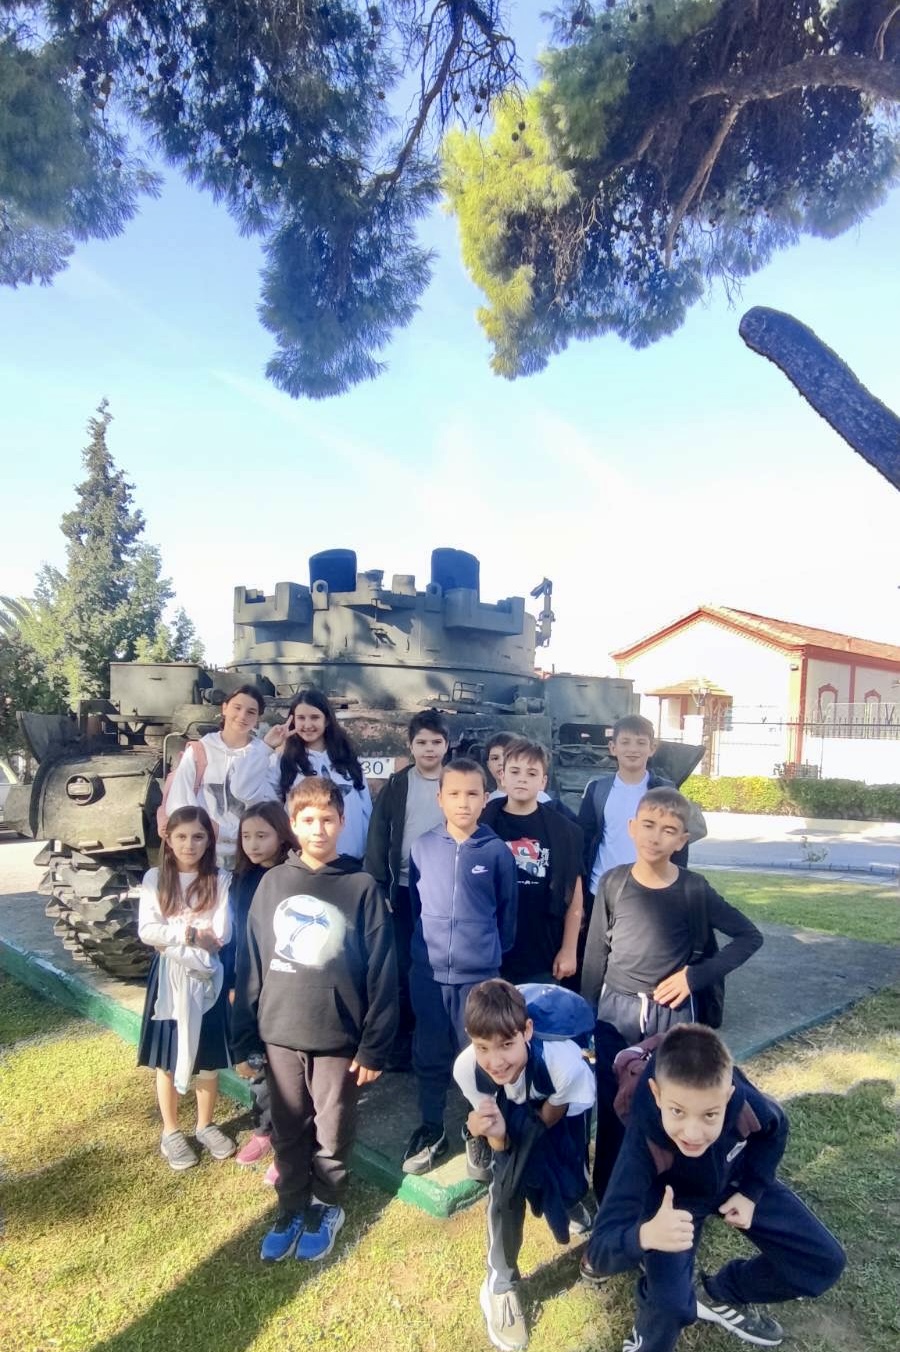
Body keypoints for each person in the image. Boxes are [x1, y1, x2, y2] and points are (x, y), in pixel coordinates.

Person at [585, 1023, 846, 1352]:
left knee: (823, 1260)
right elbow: (600, 1249)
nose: (693, 1134)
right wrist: (645, 1235)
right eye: (677, 1112)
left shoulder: (743, 1101)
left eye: (710, 1114)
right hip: (671, 1202)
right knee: (671, 1305)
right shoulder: (643, 1144)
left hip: (733, 1177)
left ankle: (720, 1294)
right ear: (656, 1094)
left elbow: (775, 1129)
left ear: (728, 1096)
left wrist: (751, 1191)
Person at [231, 776, 398, 1262]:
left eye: (327, 819)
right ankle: (290, 1204)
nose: (318, 829)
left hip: (337, 1036)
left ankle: (325, 1204)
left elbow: (382, 972)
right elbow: (251, 962)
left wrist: (373, 1046)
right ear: (293, 824)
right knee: (287, 1126)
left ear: (342, 822)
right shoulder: (273, 884)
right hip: (280, 1032)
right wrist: (244, 1038)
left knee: (332, 1127)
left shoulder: (361, 887)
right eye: (308, 820)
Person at [582, 787, 763, 1203]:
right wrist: (586, 1020)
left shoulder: (694, 889)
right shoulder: (613, 883)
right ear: (632, 828)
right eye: (648, 825)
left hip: (672, 1019)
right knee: (612, 1110)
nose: (655, 836)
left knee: (672, 1107)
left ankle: (666, 1198)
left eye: (668, 830)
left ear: (682, 840)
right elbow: (595, 955)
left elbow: (749, 937)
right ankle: (611, 1199)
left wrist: (694, 977)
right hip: (616, 1016)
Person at [454, 980, 595, 1351]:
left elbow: (554, 1112)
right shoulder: (468, 1069)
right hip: (504, 1115)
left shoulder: (564, 1062)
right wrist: (495, 1135)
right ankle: (499, 1284)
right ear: (470, 1039)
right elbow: (501, 1147)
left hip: (552, 1106)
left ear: (527, 1031)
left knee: (567, 1167)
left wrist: (535, 1141)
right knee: (505, 1190)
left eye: (506, 1044)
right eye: (483, 1047)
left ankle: (571, 1202)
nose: (495, 1061)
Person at [402, 758, 518, 1175]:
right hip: (429, 974)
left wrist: (485, 955)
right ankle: (432, 1128)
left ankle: (480, 1130)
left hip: (478, 977)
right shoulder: (422, 847)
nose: (463, 802)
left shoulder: (496, 851)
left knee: (480, 1056)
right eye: (454, 793)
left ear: (486, 798)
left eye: (472, 794)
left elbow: (507, 914)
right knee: (430, 1052)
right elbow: (415, 906)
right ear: (440, 799)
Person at [136, 805, 235, 1170]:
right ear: (168, 838)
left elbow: (221, 934)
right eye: (181, 836)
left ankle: (205, 1124)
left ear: (209, 840)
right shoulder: (155, 878)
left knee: (208, 1059)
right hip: (169, 980)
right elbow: (148, 930)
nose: (189, 845)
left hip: (207, 979)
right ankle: (171, 1131)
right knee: (168, 1056)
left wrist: (173, 936)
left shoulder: (220, 879)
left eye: (198, 836)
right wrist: (191, 934)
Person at [364, 708, 450, 1067]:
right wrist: (378, 885)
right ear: (410, 746)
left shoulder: (456, 781)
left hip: (443, 889)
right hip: (401, 888)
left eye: (436, 742)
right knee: (400, 966)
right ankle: (400, 1044)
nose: (429, 749)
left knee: (436, 966)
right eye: (422, 742)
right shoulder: (398, 785)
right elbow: (378, 834)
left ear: (447, 745)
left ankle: (434, 1041)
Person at [225, 801, 297, 1175]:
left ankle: (287, 1140)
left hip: (284, 985)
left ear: (282, 835)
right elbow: (236, 936)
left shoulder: (292, 877)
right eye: (246, 836)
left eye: (262, 835)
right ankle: (263, 1128)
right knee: (256, 1063)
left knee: (285, 1069)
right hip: (249, 985)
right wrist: (234, 984)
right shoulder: (241, 879)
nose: (253, 844)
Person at [480, 738, 585, 985]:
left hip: (542, 948)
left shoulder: (564, 831)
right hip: (489, 947)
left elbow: (574, 892)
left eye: (532, 773)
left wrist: (569, 948)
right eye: (515, 771)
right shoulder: (482, 823)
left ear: (543, 782)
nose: (522, 779)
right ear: (502, 776)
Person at [578, 714, 698, 904]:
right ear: (613, 747)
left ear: (652, 748)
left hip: (650, 894)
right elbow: (583, 843)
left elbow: (678, 847)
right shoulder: (597, 790)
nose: (633, 749)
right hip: (600, 891)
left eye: (641, 743)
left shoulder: (665, 791)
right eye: (625, 742)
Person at [165, 684, 276, 869]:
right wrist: (205, 830)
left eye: (251, 712)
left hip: (249, 854)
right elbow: (179, 802)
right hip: (204, 853)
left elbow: (269, 805)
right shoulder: (200, 751)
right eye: (237, 708)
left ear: (258, 718)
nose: (242, 716)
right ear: (224, 708)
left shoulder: (265, 755)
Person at [265, 688, 372, 860]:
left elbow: (366, 808)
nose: (307, 725)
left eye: (314, 717)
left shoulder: (348, 759)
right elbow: (252, 794)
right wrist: (266, 747)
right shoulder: (283, 762)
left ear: (327, 720)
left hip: (351, 860)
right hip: (306, 861)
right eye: (301, 718)